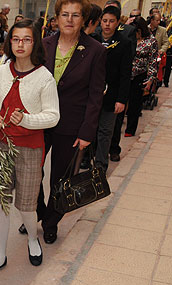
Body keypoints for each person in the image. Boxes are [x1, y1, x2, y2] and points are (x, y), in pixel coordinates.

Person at [0, 19, 60, 274]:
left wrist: (26, 119)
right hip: (3, 145)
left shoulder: (44, 77)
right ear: (9, 41)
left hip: (30, 148)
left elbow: (53, 116)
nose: (20, 44)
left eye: (26, 39)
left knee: (27, 204)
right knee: (0, 201)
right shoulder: (3, 71)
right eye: (15, 39)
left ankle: (32, 238)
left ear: (35, 43)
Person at [29, 0, 105, 244]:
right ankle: (38, 212)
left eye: (75, 15)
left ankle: (51, 222)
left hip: (71, 125)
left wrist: (87, 132)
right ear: (57, 18)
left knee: (60, 179)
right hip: (40, 121)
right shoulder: (44, 44)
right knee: (32, 174)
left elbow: (95, 95)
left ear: (83, 20)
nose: (69, 20)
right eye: (65, 14)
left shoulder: (95, 50)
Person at [94, 5, 131, 170]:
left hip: (112, 94)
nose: (107, 24)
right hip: (92, 93)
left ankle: (101, 163)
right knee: (89, 128)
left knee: (105, 131)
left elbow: (125, 74)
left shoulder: (124, 43)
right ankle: (87, 158)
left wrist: (122, 99)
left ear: (117, 23)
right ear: (100, 21)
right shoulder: (92, 39)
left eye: (111, 21)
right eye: (105, 21)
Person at [123, 17, 158, 138]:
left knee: (135, 104)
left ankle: (130, 129)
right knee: (121, 102)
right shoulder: (127, 37)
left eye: (137, 31)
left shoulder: (151, 41)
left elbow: (153, 61)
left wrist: (150, 79)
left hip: (140, 75)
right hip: (125, 74)